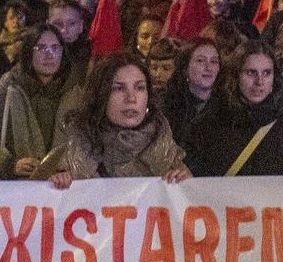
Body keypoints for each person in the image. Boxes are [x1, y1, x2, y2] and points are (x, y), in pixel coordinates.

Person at [44, 52, 191, 186]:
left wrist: (186, 183)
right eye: (118, 88)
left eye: (139, 88)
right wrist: (58, 186)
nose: (131, 98)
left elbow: (189, 202)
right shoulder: (74, 150)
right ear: (101, 95)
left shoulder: (165, 147)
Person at [187, 43, 283, 177]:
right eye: (251, 73)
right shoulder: (206, 127)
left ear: (275, 78)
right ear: (235, 76)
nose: (259, 81)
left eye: (267, 73)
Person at [0, 26, 69, 180]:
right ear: (29, 52)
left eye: (55, 47)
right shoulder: (3, 96)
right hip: (14, 196)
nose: (49, 54)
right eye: (41, 48)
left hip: (59, 196)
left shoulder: (72, 97)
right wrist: (11, 166)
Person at [162, 37, 221, 147]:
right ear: (185, 67)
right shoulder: (168, 105)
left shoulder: (225, 107)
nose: (208, 67)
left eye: (214, 61)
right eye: (200, 61)